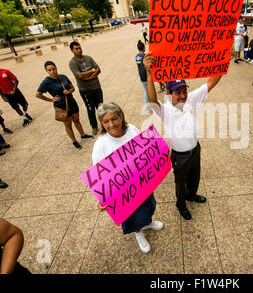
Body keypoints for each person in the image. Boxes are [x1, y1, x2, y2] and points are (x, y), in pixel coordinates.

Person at [143, 53, 228, 220]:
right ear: (168, 92)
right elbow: (152, 100)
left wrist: (225, 61)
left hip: (195, 150)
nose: (182, 95)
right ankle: (181, 204)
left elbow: (211, 83)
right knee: (180, 183)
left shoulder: (191, 100)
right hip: (179, 156)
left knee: (195, 177)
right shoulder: (165, 110)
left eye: (184, 91)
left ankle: (192, 195)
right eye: (177, 92)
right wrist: (148, 73)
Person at [92, 102, 163, 254]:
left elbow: (144, 148)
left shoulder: (131, 129)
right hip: (123, 189)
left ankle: (148, 222)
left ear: (121, 117)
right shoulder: (100, 145)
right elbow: (99, 176)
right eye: (106, 121)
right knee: (133, 213)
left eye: (114, 119)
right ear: (102, 123)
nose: (111, 124)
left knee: (148, 204)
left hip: (142, 180)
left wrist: (161, 154)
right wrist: (103, 199)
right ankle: (139, 233)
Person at [36, 61, 94, 150]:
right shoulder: (46, 82)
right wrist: (51, 99)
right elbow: (38, 94)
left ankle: (83, 135)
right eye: (49, 70)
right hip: (61, 106)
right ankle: (74, 141)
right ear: (46, 71)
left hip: (72, 102)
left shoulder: (63, 77)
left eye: (53, 69)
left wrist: (69, 91)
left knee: (77, 120)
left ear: (56, 68)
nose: (52, 71)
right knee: (68, 125)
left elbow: (73, 87)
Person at [69, 41, 103, 135]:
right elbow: (79, 75)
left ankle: (103, 124)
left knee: (100, 107)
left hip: (96, 87)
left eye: (80, 48)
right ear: (72, 50)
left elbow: (98, 69)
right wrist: (91, 71)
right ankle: (94, 126)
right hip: (85, 90)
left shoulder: (88, 58)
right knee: (90, 108)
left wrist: (89, 77)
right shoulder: (73, 63)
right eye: (76, 49)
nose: (79, 50)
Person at [135, 40, 149, 112]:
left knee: (145, 90)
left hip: (141, 76)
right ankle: (148, 105)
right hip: (146, 76)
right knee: (148, 91)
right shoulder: (145, 56)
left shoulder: (136, 56)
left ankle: (147, 104)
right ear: (144, 48)